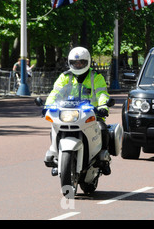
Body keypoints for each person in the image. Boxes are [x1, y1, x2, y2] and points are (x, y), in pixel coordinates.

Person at [44, 46, 112, 175]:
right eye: (75, 62)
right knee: (55, 128)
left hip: (92, 113)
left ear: (87, 62)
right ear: (70, 63)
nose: (78, 65)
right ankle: (57, 158)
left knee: (102, 128)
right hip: (69, 112)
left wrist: (103, 106)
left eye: (81, 62)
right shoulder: (65, 76)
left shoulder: (96, 77)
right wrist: (47, 105)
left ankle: (103, 160)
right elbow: (55, 92)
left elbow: (102, 93)